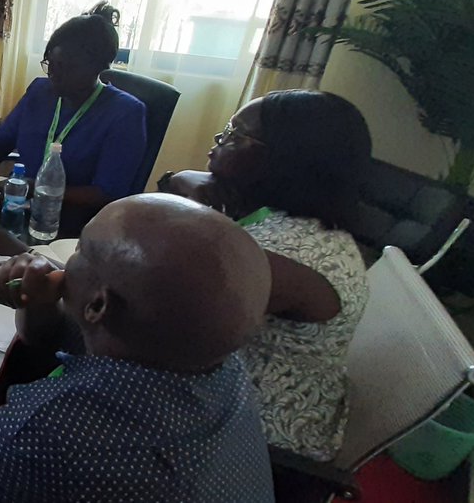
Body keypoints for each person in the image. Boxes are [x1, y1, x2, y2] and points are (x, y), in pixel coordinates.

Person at [0, 194, 275, 501]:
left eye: (81, 250)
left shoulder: (62, 434)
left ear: (99, 305)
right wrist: (44, 303)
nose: (67, 261)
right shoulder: (211, 359)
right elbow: (50, 340)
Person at [157, 89, 373, 462]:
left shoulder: (288, 257)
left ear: (288, 159)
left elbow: (161, 313)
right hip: (227, 389)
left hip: (254, 437)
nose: (217, 145)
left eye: (235, 136)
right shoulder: (289, 220)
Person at [0, 1, 146, 235]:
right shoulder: (40, 91)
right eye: (50, 64)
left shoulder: (125, 113)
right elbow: (0, 140)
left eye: (66, 68)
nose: (54, 74)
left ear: (98, 67)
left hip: (77, 228)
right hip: (21, 211)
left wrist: (35, 188)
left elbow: (106, 193)